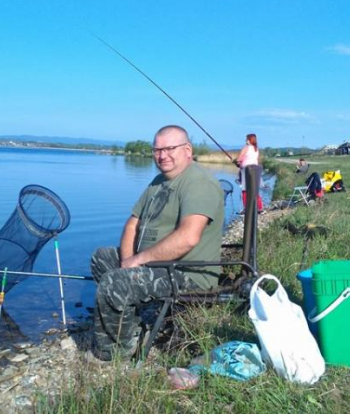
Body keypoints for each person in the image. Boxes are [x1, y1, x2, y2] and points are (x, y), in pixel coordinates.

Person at [88, 125, 224, 361]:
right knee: (102, 258)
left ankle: (114, 353)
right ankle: (130, 327)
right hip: (158, 264)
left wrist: (137, 261)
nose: (162, 155)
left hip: (189, 273)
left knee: (115, 283)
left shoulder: (199, 184)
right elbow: (132, 224)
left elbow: (188, 238)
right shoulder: (158, 182)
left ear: (187, 150)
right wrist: (127, 262)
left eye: (170, 148)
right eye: (157, 150)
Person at [235, 133, 263, 212]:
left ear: (249, 140)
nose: (245, 141)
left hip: (246, 171)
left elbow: (239, 159)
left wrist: (236, 162)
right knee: (255, 190)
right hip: (255, 171)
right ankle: (259, 207)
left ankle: (246, 208)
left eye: (246, 139)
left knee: (245, 190)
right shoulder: (256, 149)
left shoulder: (246, 148)